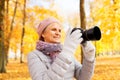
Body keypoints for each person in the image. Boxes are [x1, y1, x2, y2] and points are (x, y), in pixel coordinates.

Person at [27, 17, 96, 80]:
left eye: (59, 31)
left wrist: (89, 58)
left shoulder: (66, 51)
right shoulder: (34, 55)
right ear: (43, 34)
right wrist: (66, 53)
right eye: (53, 30)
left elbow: (83, 77)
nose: (58, 33)